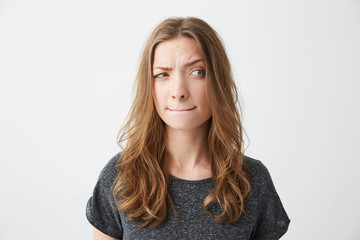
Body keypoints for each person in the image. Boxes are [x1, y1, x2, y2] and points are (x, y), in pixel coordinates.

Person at [86, 17, 290, 240]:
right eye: (162, 74)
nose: (178, 91)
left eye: (196, 72)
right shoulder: (121, 175)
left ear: (218, 81)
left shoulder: (251, 180)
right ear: (149, 87)